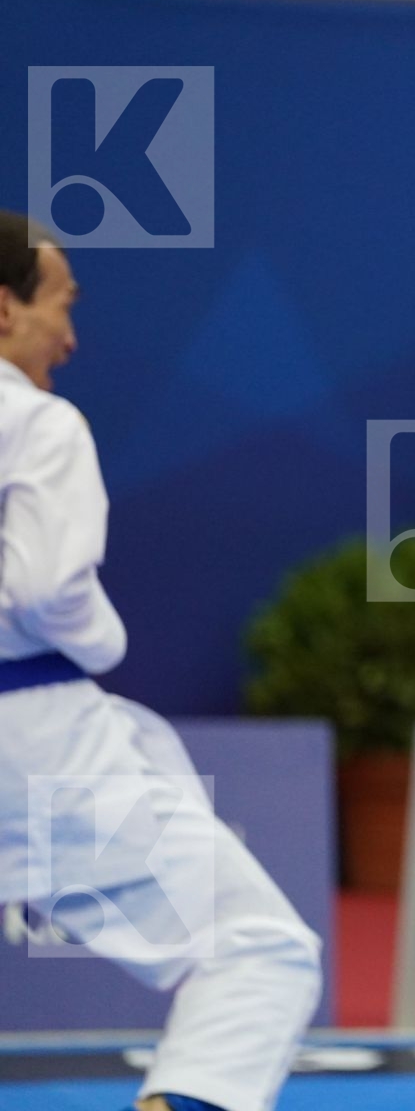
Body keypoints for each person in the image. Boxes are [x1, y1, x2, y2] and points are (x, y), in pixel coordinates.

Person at [0, 211, 322, 1111]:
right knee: (255, 948)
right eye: (60, 305)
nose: (69, 336)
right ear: (1, 311)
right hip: (31, 746)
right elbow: (47, 591)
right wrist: (106, 641)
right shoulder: (36, 422)